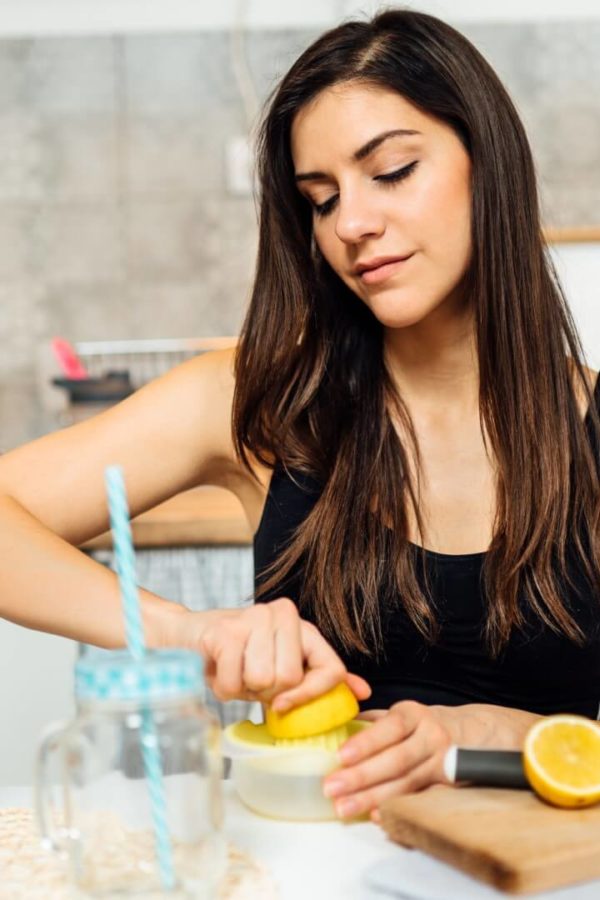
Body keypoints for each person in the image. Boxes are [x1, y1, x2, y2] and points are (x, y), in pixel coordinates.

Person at [0, 9, 598, 822]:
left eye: (390, 172)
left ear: (486, 162)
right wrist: (189, 632)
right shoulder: (261, 404)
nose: (351, 224)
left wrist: (495, 733)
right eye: (321, 200)